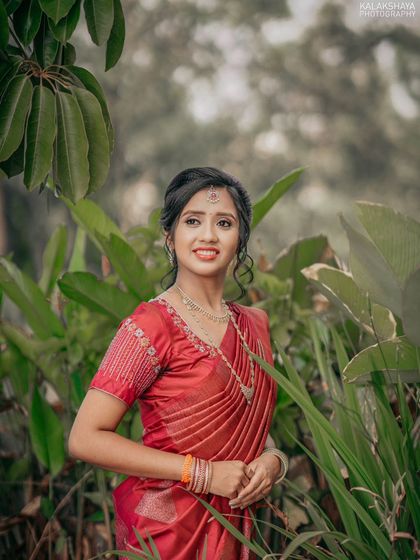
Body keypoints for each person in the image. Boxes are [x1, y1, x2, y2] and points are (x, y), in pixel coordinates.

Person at [68, 167, 288, 560]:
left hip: (240, 528)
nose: (208, 235)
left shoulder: (255, 324)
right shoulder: (150, 325)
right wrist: (204, 474)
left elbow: (250, 430)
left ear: (240, 240)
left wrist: (273, 461)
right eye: (192, 221)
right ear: (170, 238)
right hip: (168, 532)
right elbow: (85, 437)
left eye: (224, 222)